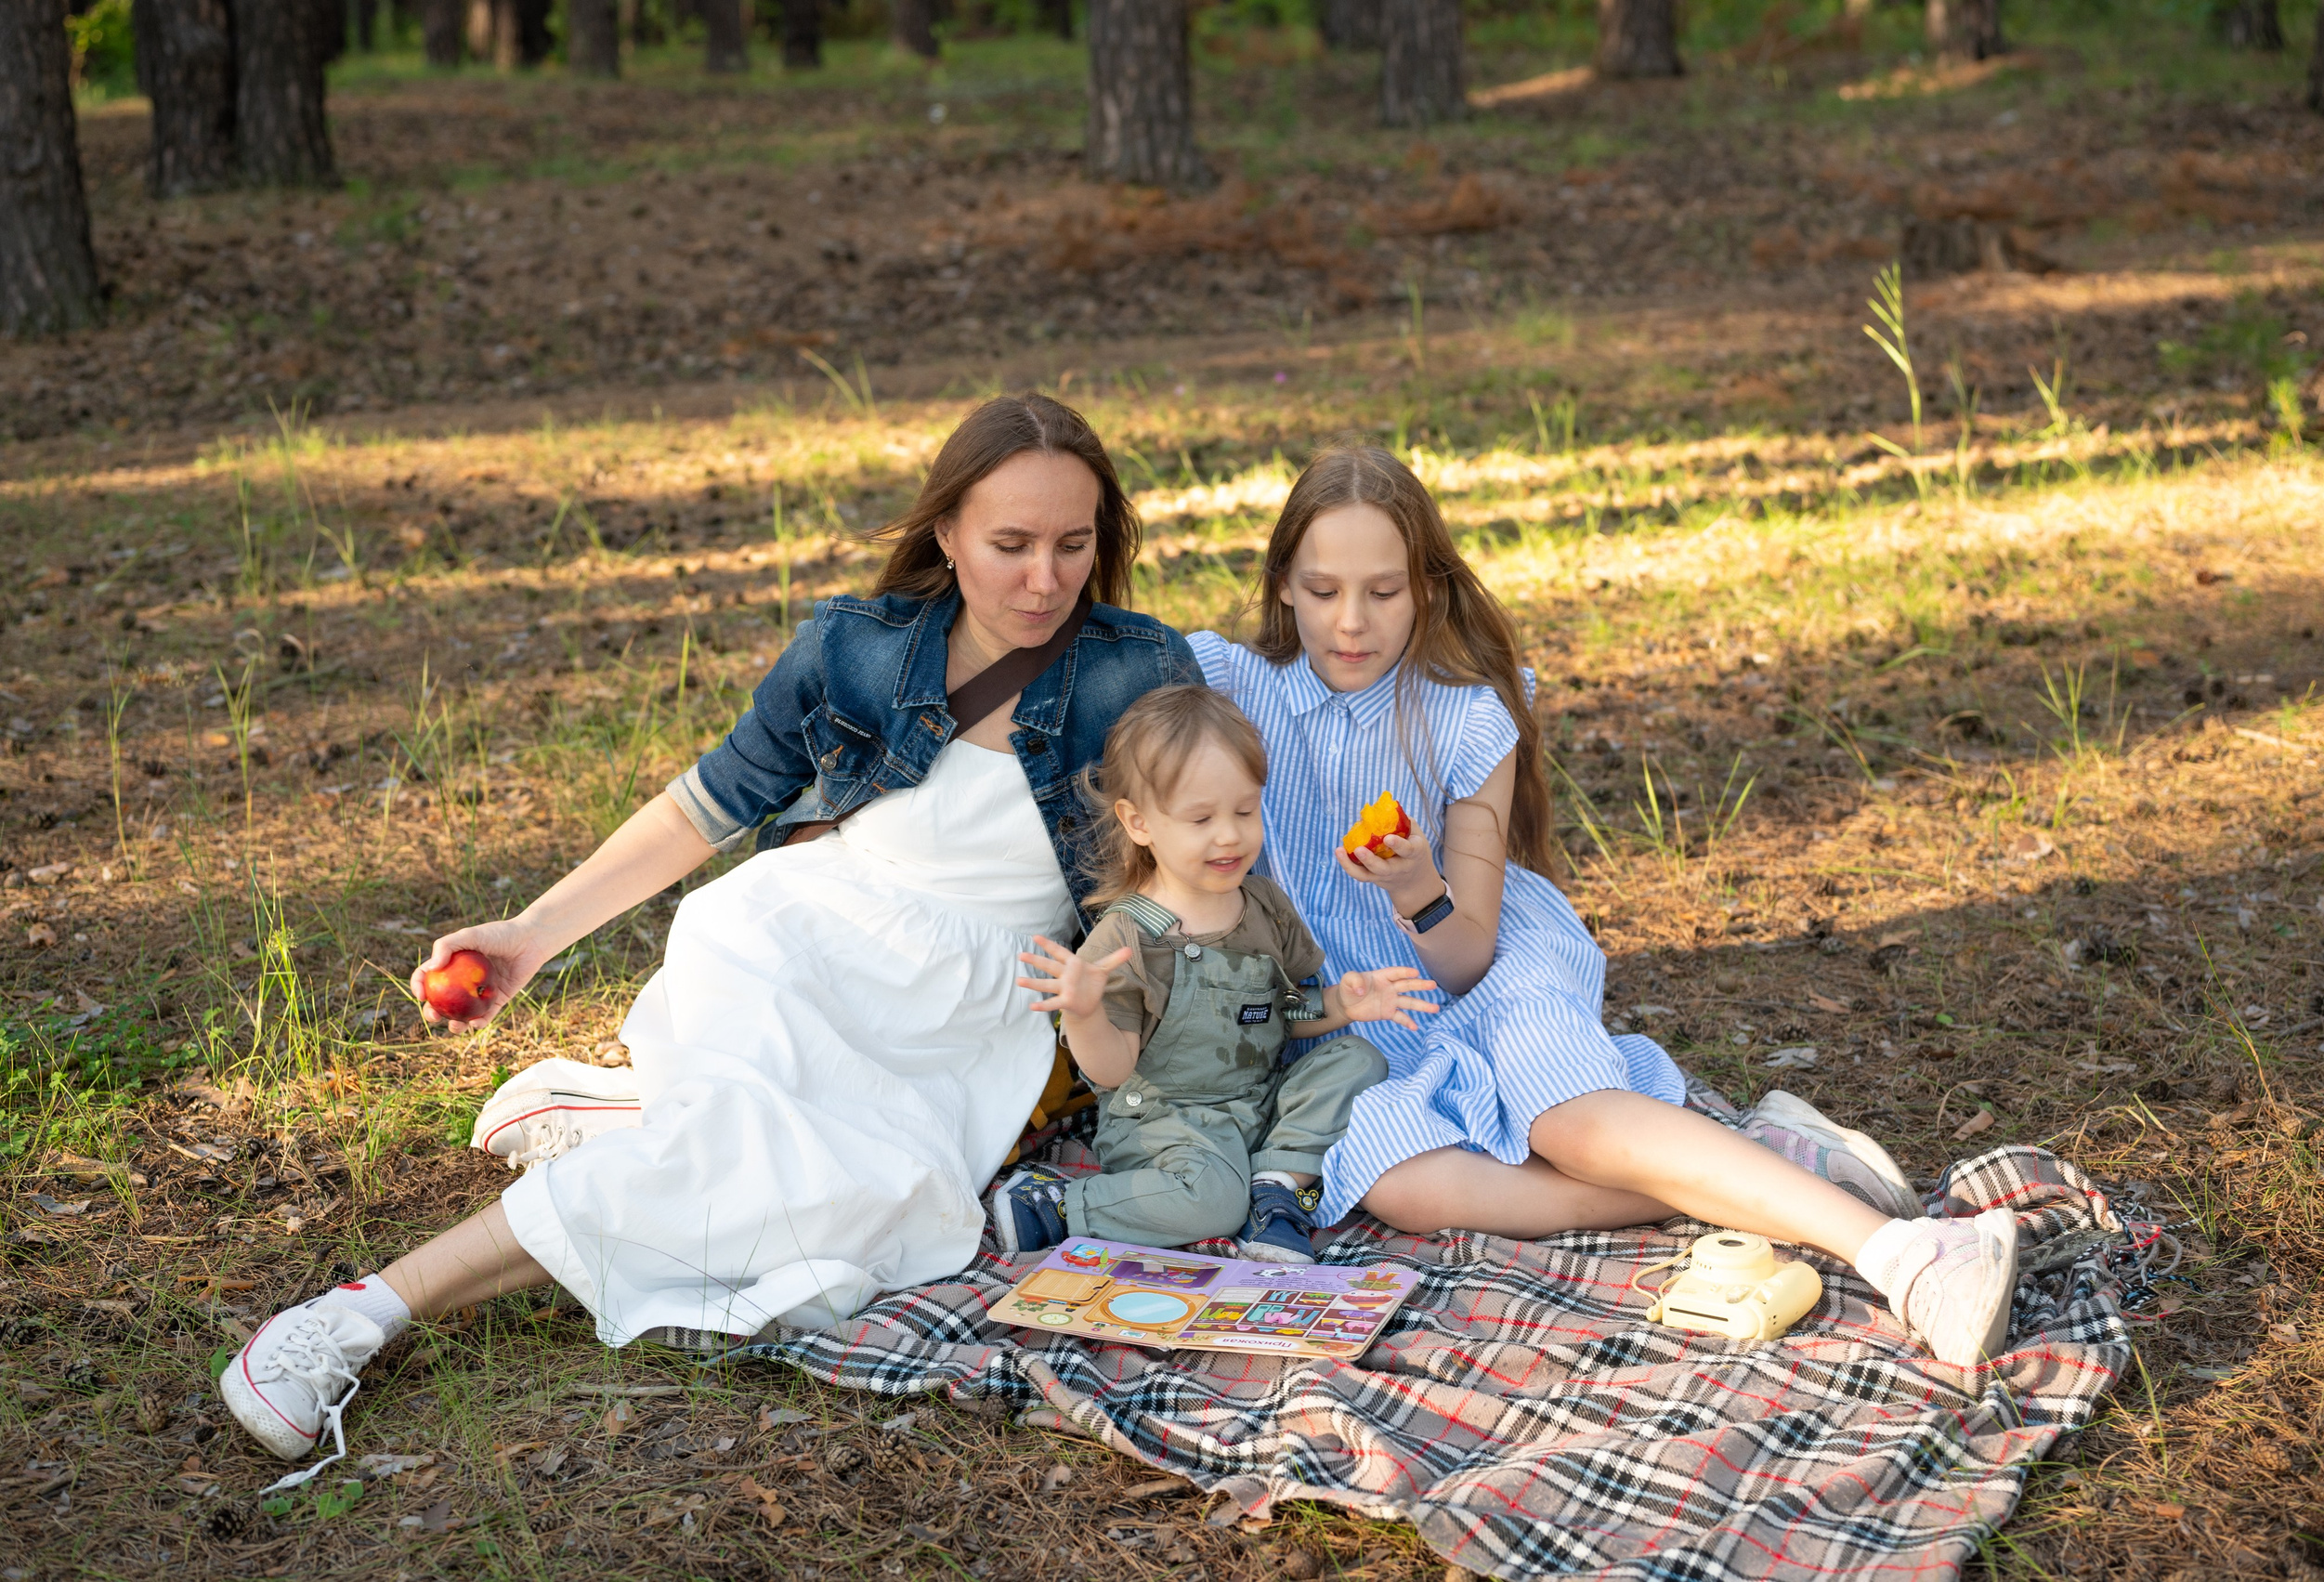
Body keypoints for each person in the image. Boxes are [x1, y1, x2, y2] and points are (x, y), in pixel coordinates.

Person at [215, 394, 1200, 1482]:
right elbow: (706, 803)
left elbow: (1176, 877)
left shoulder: (1139, 673)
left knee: (860, 1229)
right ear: (947, 534)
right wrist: (534, 933)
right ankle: (356, 1314)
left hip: (974, 1004)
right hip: (797, 939)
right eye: (1009, 544)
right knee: (732, 1158)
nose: (1044, 580)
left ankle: (620, 1116)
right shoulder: (856, 647)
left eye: (1073, 544)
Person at [1184, 446, 2018, 1365]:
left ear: (1425, 586)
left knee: (1565, 1125)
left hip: (1486, 959)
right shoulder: (1232, 686)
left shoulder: (1465, 715)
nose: (1350, 621)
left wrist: (1417, 886)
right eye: (1321, 589)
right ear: (1282, 587)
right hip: (1359, 1006)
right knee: (1402, 1186)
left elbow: (1464, 954)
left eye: (1382, 591)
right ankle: (1752, 1154)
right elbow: (1083, 647)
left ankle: (1905, 1252)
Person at [991, 687, 1430, 1262]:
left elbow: (1283, 1014)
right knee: (1212, 1201)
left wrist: (1342, 1008)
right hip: (1165, 1122)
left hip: (1256, 1100)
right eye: (1201, 818)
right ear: (1139, 822)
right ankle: (1060, 1205)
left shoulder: (1264, 905)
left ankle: (1274, 1192)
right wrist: (1084, 1010)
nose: (1229, 835)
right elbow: (1110, 1069)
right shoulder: (1127, 937)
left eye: (1245, 811)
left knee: (1360, 1059)